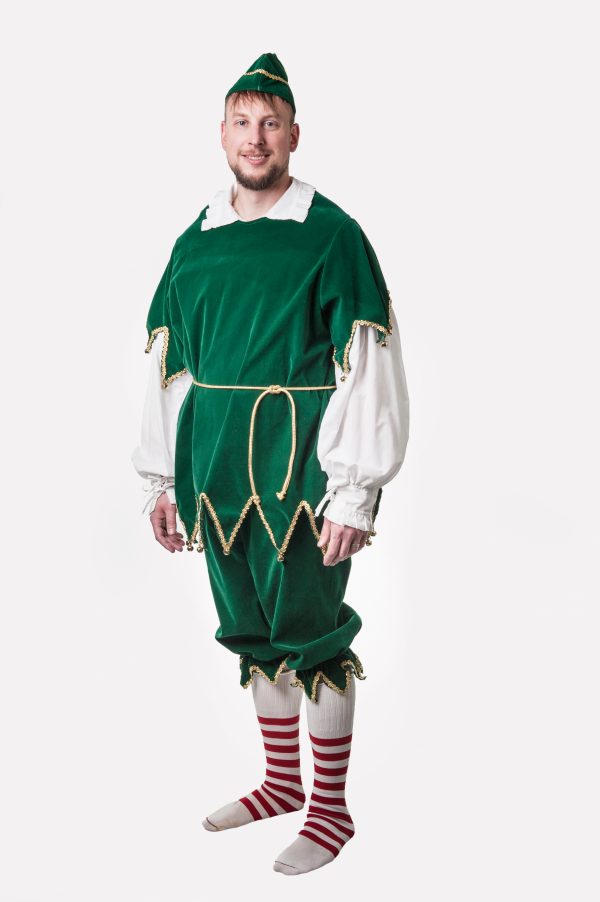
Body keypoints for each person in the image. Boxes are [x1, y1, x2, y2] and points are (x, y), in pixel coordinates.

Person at [132, 52, 410, 875]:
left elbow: (367, 360)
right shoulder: (195, 242)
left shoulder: (331, 235)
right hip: (215, 473)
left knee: (310, 633)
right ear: (222, 134)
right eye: (242, 123)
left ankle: (330, 810)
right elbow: (171, 367)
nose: (256, 139)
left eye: (271, 124)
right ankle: (282, 783)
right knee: (252, 628)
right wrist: (160, 479)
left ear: (294, 135)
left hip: (301, 471)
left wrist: (353, 492)